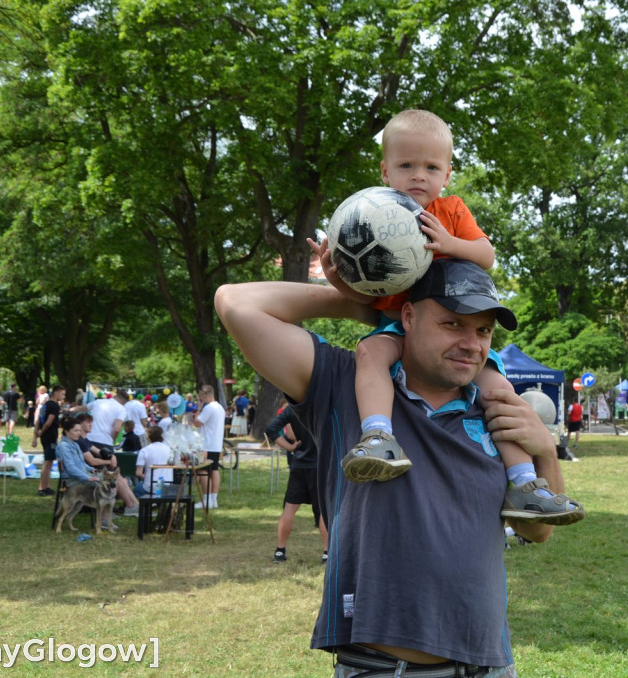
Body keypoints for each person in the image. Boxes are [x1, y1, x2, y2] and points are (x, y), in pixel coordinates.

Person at [215, 258, 571, 675]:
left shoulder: (496, 407)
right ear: (408, 317)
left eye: (483, 330)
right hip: (380, 669)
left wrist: (545, 452)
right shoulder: (346, 382)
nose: (472, 344)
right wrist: (361, 303)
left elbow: (538, 530)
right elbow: (235, 302)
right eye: (452, 323)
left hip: (486, 666)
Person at [308, 110, 580, 525]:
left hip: (457, 324)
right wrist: (337, 280)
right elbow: (368, 297)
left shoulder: (450, 211)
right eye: (406, 165)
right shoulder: (374, 215)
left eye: (431, 167)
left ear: (447, 174)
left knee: (499, 393)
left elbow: (486, 256)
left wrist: (450, 242)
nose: (419, 175)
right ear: (385, 171)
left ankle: (526, 484)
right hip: (401, 324)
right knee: (369, 355)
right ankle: (379, 436)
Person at [269, 407, 329, 564]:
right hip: (321, 466)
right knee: (324, 510)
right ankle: (327, 553)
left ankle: (280, 551)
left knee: (289, 508)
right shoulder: (323, 405)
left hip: (299, 464)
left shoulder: (293, 409)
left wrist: (289, 447)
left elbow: (271, 429)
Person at [76, 412, 140, 516]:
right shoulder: (79, 441)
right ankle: (130, 506)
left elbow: (98, 451)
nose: (91, 424)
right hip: (84, 473)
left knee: (120, 477)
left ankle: (135, 505)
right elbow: (92, 461)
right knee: (116, 478)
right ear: (80, 424)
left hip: (87, 471)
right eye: (88, 422)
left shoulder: (85, 440)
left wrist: (111, 456)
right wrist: (109, 461)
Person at [192, 385, 224, 510]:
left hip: (206, 445)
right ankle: (213, 499)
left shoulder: (209, 408)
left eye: (200, 396)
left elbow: (197, 423)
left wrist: (199, 409)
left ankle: (206, 500)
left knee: (202, 471)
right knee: (214, 470)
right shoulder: (220, 407)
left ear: (204, 395)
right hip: (216, 445)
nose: (200, 398)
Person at [35, 385, 66, 497]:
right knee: (47, 462)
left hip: (46, 436)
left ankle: (46, 486)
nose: (63, 397)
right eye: (62, 394)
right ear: (56, 393)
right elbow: (48, 422)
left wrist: (37, 435)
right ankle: (41, 488)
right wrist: (41, 433)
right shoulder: (54, 406)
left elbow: (38, 420)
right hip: (49, 436)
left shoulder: (45, 405)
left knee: (50, 461)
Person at [133, 426, 173, 498]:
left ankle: (148, 504)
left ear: (148, 437)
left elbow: (138, 473)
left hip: (150, 486)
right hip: (168, 485)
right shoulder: (169, 449)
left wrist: (146, 476)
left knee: (136, 490)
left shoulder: (144, 450)